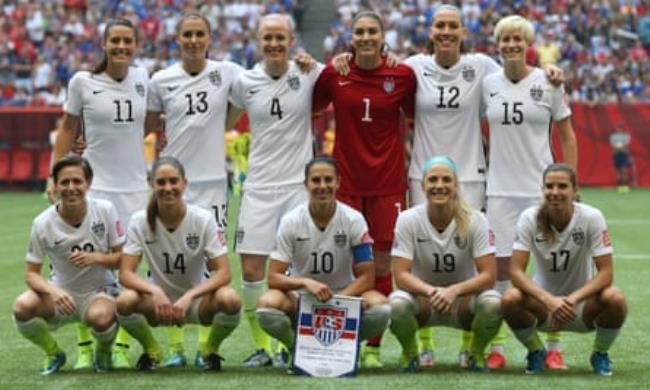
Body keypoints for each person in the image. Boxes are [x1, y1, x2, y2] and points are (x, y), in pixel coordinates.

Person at [401, 5, 568, 369]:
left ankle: (473, 346)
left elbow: (521, 72)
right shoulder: (412, 66)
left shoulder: (482, 68)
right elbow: (379, 69)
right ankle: (424, 346)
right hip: (423, 177)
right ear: (430, 31)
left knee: (474, 263)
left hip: (474, 178)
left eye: (453, 26)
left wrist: (550, 72)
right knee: (420, 261)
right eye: (439, 25)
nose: (446, 31)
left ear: (464, 32)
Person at [312, 10, 416, 367]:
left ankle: (373, 347)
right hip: (347, 184)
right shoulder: (334, 73)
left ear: (382, 35)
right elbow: (308, 106)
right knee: (348, 267)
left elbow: (419, 117)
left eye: (373, 31)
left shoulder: (401, 75)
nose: (367, 37)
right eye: (360, 32)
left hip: (388, 185)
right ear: (350, 37)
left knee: (384, 265)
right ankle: (345, 344)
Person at [145, 12, 244, 369]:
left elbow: (235, 111)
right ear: (178, 39)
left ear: (209, 38)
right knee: (164, 262)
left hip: (213, 183)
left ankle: (205, 347)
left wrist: (217, 128)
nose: (193, 40)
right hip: (173, 186)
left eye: (199, 34)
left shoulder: (228, 72)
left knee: (210, 264)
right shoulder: (160, 80)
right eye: (186, 34)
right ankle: (174, 347)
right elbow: (151, 125)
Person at [52, 18, 151, 369]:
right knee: (85, 272)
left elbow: (150, 121)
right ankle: (84, 347)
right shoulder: (83, 81)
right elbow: (66, 128)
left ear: (136, 45)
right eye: (115, 42)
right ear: (104, 45)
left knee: (132, 270)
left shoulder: (144, 79)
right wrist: (56, 173)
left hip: (137, 189)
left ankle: (121, 346)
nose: (122, 47)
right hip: (96, 188)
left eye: (128, 41)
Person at [227, 13, 324, 367]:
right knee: (252, 270)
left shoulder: (309, 72)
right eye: (267, 37)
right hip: (258, 187)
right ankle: (263, 348)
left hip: (298, 188)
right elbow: (223, 122)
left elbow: (342, 80)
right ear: (258, 40)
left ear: (291, 39)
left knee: (298, 271)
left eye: (280, 37)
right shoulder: (244, 81)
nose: (274, 43)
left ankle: (292, 344)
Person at [481, 15, 578, 370]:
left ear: (527, 44)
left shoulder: (549, 82)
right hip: (500, 191)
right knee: (501, 272)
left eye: (517, 39)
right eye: (505, 39)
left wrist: (571, 184)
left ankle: (553, 348)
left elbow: (567, 134)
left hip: (542, 190)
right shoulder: (487, 83)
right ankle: (498, 347)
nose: (510, 45)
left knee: (551, 270)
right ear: (498, 43)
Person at [256, 156, 390, 369]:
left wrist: (337, 301)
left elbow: (367, 277)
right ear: (306, 184)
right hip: (303, 298)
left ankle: (344, 346)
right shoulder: (291, 221)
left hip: (344, 295)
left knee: (382, 308)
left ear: (338, 182)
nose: (322, 186)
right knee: (266, 306)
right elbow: (273, 277)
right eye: (316, 180)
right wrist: (306, 283)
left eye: (328, 180)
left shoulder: (354, 219)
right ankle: (296, 347)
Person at [115, 157, 242, 371]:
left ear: (185, 183)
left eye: (174, 181)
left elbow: (224, 273)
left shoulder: (203, 219)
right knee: (124, 301)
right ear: (151, 183)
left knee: (230, 299)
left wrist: (190, 296)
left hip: (197, 302)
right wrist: (154, 290)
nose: (168, 188)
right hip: (158, 305)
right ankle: (151, 350)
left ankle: (210, 350)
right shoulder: (140, 221)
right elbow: (126, 274)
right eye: (161, 182)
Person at [501, 163, 627, 376]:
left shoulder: (591, 217)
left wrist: (572, 299)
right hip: (543, 307)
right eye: (549, 186)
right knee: (509, 298)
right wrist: (549, 300)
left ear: (575, 190)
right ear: (542, 190)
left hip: (581, 307)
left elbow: (606, 272)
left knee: (615, 298)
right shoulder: (529, 218)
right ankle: (536, 351)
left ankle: (600, 353)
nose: (555, 192)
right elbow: (515, 272)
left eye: (562, 186)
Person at [389, 156, 501, 372]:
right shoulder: (407, 219)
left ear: (456, 185)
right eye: (433, 180)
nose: (439, 186)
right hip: (422, 302)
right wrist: (433, 291)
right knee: (395, 305)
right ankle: (411, 353)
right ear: (422, 186)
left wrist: (453, 291)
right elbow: (401, 276)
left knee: (493, 303)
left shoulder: (476, 220)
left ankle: (475, 354)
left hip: (462, 304)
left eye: (446, 180)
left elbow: (489, 276)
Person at [12, 156, 123, 375]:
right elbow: (31, 275)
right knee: (21, 307)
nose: (71, 188)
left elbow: (125, 259)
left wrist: (97, 258)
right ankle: (53, 352)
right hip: (61, 296)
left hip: (100, 293)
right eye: (64, 182)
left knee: (101, 318)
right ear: (55, 185)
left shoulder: (105, 210)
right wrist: (53, 291)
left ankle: (103, 350)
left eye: (77, 181)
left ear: (88, 184)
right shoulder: (42, 223)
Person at [609, 124, 632, 193]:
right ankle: (620, 187)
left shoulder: (626, 136)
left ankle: (625, 186)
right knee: (618, 172)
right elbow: (612, 144)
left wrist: (621, 147)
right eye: (618, 129)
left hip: (624, 155)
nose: (619, 130)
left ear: (623, 129)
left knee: (624, 171)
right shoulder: (613, 136)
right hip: (616, 155)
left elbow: (627, 144)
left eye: (620, 129)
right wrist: (617, 147)